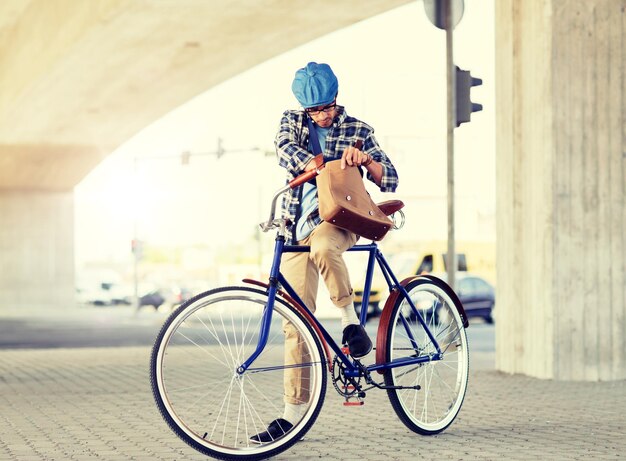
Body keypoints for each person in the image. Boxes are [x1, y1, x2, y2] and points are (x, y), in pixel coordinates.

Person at [251, 62, 399, 443]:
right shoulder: (292, 122)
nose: (323, 115)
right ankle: (290, 416)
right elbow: (285, 150)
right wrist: (320, 163)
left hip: (339, 219)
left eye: (328, 106)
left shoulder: (358, 130)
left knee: (323, 244)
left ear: (336, 99)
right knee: (295, 324)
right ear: (303, 108)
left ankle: (351, 322)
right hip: (293, 226)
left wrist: (365, 160)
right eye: (315, 110)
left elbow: (391, 176)